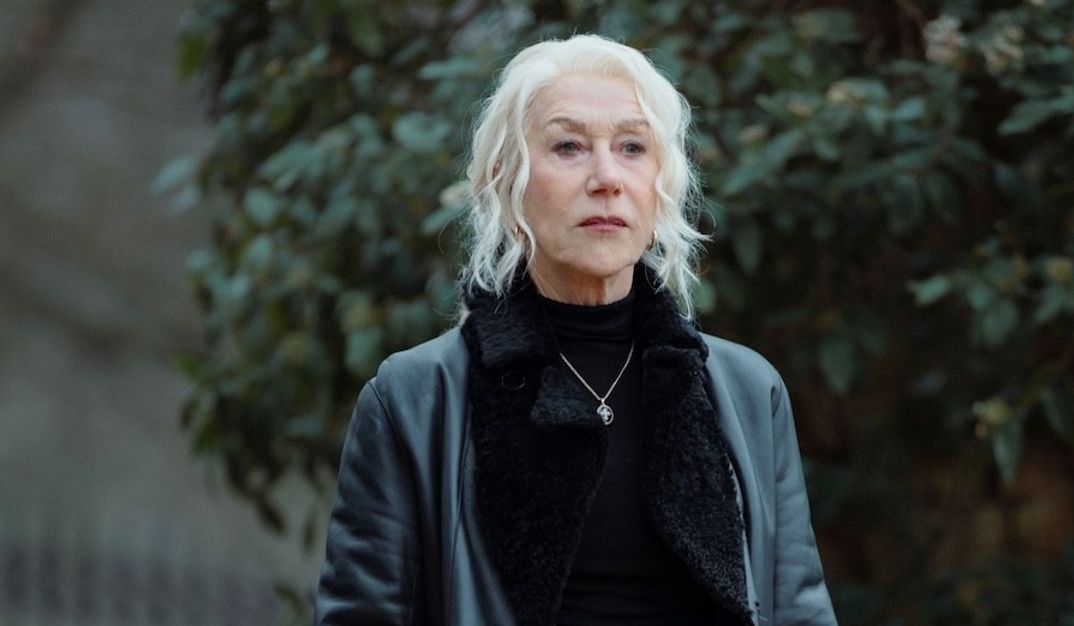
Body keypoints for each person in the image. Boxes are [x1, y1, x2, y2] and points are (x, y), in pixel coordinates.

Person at [314, 34, 838, 626]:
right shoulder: (413, 399)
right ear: (505, 182)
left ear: (661, 185)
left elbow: (799, 611)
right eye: (569, 146)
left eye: (632, 147)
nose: (606, 177)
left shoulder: (748, 392)